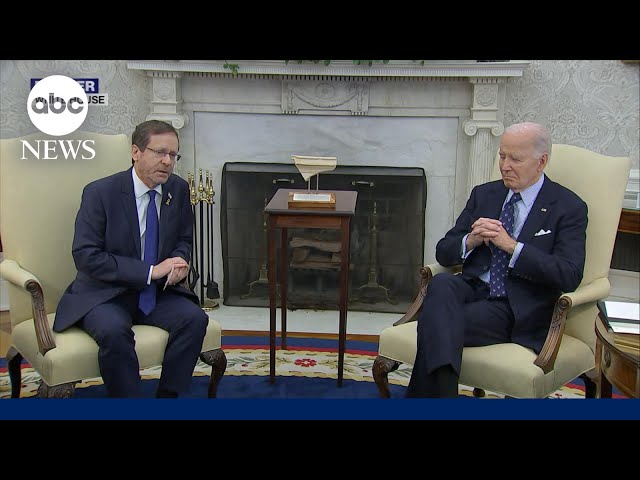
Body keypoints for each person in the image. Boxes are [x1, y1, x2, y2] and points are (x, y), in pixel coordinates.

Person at [407, 122, 588, 397]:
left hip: (514, 305)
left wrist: (513, 247)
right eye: (502, 156)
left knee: (435, 321)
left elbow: (569, 274)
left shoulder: (568, 207)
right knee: (442, 284)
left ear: (542, 162)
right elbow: (443, 251)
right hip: (472, 288)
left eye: (515, 159)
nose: (505, 166)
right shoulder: (485, 194)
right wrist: (472, 240)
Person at [54, 120, 208, 398]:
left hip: (157, 292)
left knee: (194, 319)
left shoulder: (178, 190)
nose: (167, 161)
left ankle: (169, 400)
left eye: (173, 155)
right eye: (159, 152)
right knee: (114, 332)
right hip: (105, 293)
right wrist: (150, 270)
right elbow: (86, 256)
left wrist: (178, 262)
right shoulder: (100, 193)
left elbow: (184, 239)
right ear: (136, 152)